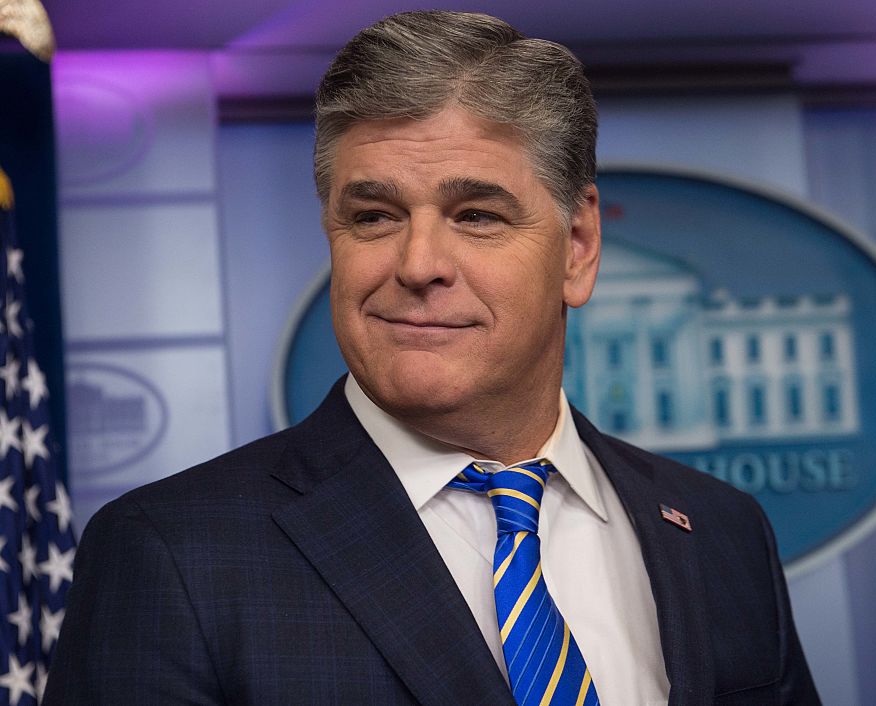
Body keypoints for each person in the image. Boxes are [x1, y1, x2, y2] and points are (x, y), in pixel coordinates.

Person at [45, 10, 819, 705]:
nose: (418, 264)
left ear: (577, 249)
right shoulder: (172, 553)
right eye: (374, 215)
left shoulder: (721, 530)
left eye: (476, 215)